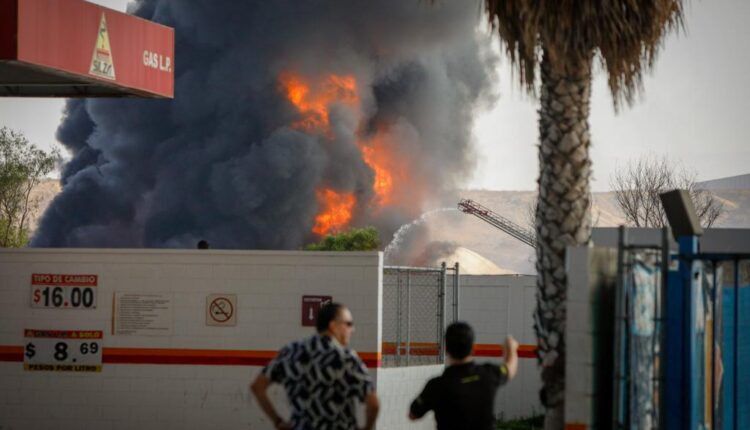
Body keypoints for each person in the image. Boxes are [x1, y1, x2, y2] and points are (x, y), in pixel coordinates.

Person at [251, 302, 380, 430]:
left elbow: (257, 387)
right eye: (348, 324)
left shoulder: (291, 352)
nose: (352, 329)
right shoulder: (346, 358)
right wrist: (367, 427)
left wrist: (277, 421)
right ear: (333, 326)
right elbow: (373, 403)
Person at [409, 322, 518, 430]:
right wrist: (511, 347)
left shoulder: (436, 385)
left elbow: (413, 415)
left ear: (446, 350)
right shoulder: (489, 374)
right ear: (473, 348)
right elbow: (510, 368)